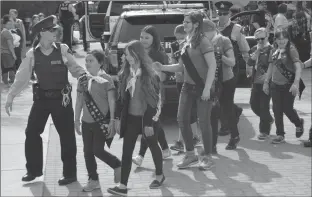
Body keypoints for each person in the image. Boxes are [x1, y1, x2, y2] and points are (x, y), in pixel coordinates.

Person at [4, 16, 88, 185]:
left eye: (55, 30)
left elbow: (76, 69)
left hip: (61, 100)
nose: (55, 32)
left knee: (66, 136)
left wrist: (87, 77)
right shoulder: (32, 54)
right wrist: (10, 96)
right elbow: (22, 77)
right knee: (32, 132)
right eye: (52, 30)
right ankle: (33, 170)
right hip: (41, 99)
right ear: (42, 33)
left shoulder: (63, 50)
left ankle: (70, 174)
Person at [107, 40, 165, 196]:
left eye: (129, 54)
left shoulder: (150, 75)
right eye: (125, 54)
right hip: (131, 119)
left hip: (147, 119)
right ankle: (122, 186)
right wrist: (118, 118)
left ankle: (159, 175)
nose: (126, 57)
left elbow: (154, 102)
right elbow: (121, 99)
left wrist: (149, 124)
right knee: (126, 152)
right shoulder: (125, 74)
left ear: (137, 53)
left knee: (153, 146)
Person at [160, 11, 217, 170]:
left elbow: (212, 66)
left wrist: (207, 89)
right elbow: (180, 67)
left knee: (204, 122)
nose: (184, 24)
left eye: (187, 22)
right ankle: (190, 154)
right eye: (184, 22)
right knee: (181, 119)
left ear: (196, 24)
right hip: (187, 86)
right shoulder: (186, 42)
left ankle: (207, 156)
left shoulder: (203, 42)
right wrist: (162, 67)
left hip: (203, 87)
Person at [75, 50, 122, 192]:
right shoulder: (82, 79)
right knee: (87, 152)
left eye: (91, 61)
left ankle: (117, 164)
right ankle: (93, 180)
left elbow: (112, 101)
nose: (87, 63)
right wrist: (76, 119)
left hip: (101, 121)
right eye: (87, 61)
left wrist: (112, 121)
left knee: (97, 150)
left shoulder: (106, 79)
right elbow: (79, 101)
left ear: (100, 63)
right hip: (86, 122)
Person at [132, 25, 171, 167]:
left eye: (147, 38)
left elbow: (163, 76)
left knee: (147, 125)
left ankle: (140, 156)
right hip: (140, 94)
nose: (143, 40)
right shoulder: (137, 52)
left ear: (154, 39)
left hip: (154, 94)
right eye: (141, 37)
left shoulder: (158, 55)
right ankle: (166, 149)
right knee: (154, 123)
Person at [215, 1, 249, 146]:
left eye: (224, 13)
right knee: (221, 99)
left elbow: (244, 49)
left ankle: (226, 126)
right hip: (215, 70)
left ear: (229, 14)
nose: (222, 16)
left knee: (225, 99)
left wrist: (248, 66)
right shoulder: (212, 27)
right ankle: (235, 112)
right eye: (219, 14)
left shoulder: (236, 29)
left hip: (230, 69)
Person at [202, 19, 239, 151]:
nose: (202, 35)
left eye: (204, 32)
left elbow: (232, 62)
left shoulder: (224, 40)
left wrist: (219, 56)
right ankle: (212, 145)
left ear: (211, 31)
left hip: (226, 79)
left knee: (227, 109)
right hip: (211, 81)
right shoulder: (202, 42)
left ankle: (234, 136)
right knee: (212, 112)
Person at [263, 28, 304, 144]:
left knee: (287, 109)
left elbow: (298, 67)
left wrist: (296, 83)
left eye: (284, 38)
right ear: (275, 39)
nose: (281, 41)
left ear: (288, 39)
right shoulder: (274, 50)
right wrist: (266, 82)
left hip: (289, 85)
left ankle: (298, 123)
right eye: (279, 39)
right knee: (276, 110)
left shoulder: (291, 49)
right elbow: (271, 67)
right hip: (275, 85)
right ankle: (280, 134)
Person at [169, 24, 201, 152]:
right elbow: (173, 62)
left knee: (185, 112)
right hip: (180, 80)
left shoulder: (192, 45)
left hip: (190, 80)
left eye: (181, 38)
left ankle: (181, 141)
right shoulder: (174, 46)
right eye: (176, 38)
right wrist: (176, 60)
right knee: (187, 111)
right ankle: (195, 137)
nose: (178, 41)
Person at [246, 28, 274, 140]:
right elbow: (249, 62)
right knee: (253, 104)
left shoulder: (272, 49)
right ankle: (268, 119)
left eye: (262, 38)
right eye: (257, 39)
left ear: (267, 37)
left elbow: (273, 66)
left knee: (264, 106)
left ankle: (264, 131)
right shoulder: (254, 49)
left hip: (267, 82)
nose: (260, 41)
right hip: (256, 82)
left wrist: (267, 81)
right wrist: (256, 52)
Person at [1, 15, 16, 85]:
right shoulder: (6, 33)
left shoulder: (2, 32)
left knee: (4, 67)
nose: (10, 25)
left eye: (10, 24)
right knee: (11, 67)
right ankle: (12, 81)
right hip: (7, 53)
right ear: (4, 25)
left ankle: (5, 81)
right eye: (8, 24)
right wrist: (13, 54)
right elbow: (10, 45)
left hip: (2, 52)